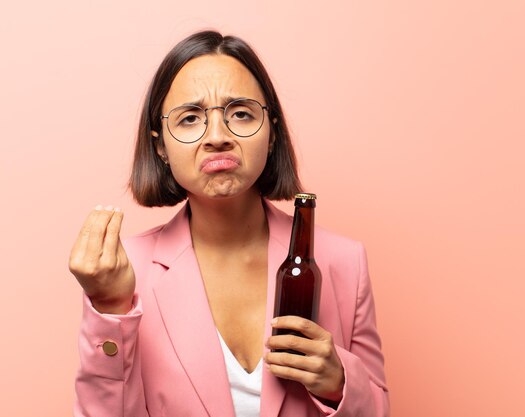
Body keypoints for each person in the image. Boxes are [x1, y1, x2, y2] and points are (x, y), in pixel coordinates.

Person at [69, 30, 389, 417]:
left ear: (271, 132)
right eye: (190, 118)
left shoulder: (344, 261)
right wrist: (110, 307)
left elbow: (378, 409)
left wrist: (339, 382)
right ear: (160, 146)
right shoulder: (125, 271)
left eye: (240, 113)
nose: (217, 137)